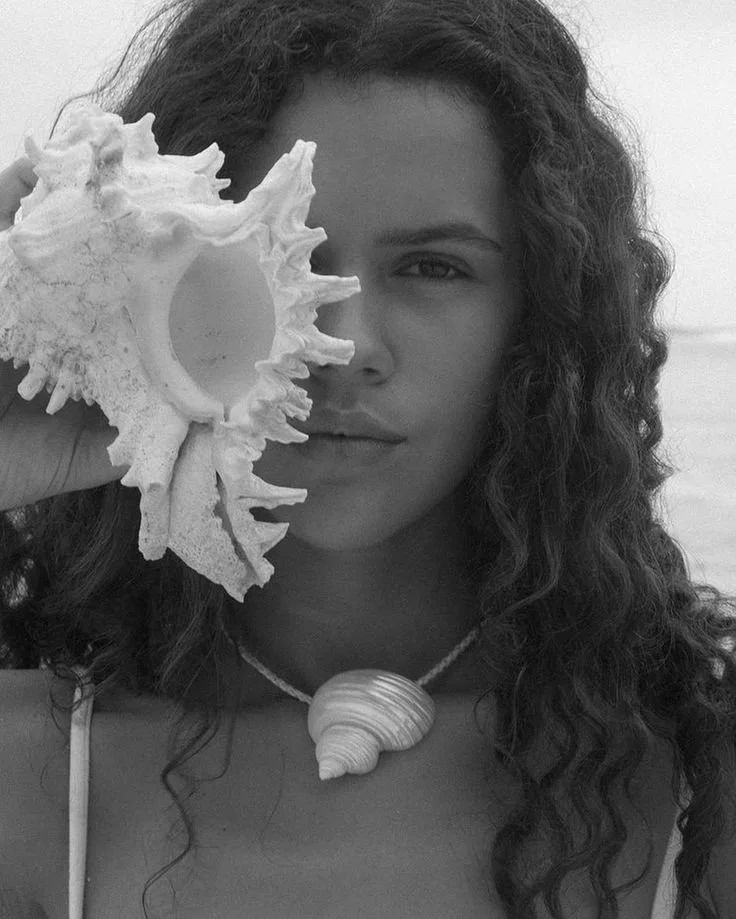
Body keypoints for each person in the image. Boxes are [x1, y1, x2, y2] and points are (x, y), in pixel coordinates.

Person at [1, 0, 735, 916]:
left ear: (543, 318)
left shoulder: (695, 783)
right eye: (287, 252)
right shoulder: (32, 773)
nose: (345, 345)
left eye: (433, 267)